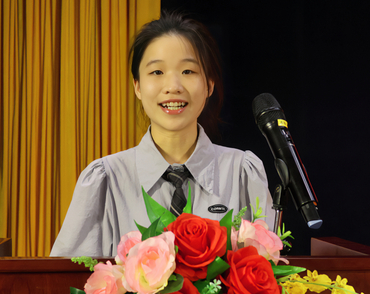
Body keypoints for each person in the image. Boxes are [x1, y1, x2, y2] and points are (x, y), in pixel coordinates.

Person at [50, 12, 273, 257]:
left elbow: (270, 268)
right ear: (137, 86)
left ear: (209, 85)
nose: (173, 86)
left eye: (188, 71)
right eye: (157, 72)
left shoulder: (242, 174)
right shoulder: (106, 180)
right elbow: (67, 276)